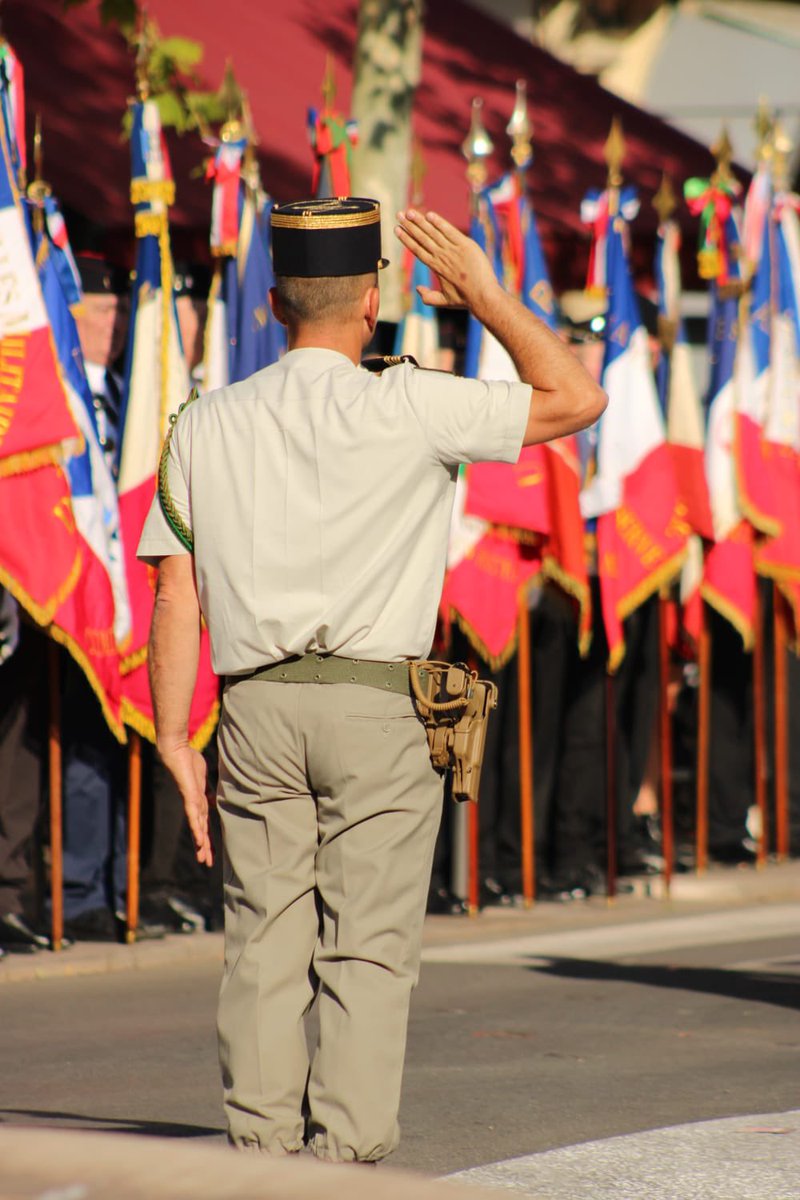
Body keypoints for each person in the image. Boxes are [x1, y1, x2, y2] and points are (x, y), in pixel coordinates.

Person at [137, 198, 606, 1162]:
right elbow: (575, 396)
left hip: (253, 704)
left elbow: (174, 595)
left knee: (263, 944)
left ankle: (260, 1162)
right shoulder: (413, 401)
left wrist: (176, 741)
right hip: (378, 705)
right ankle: (342, 1165)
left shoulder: (203, 422)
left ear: (272, 304)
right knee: (367, 948)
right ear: (372, 299)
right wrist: (485, 295)